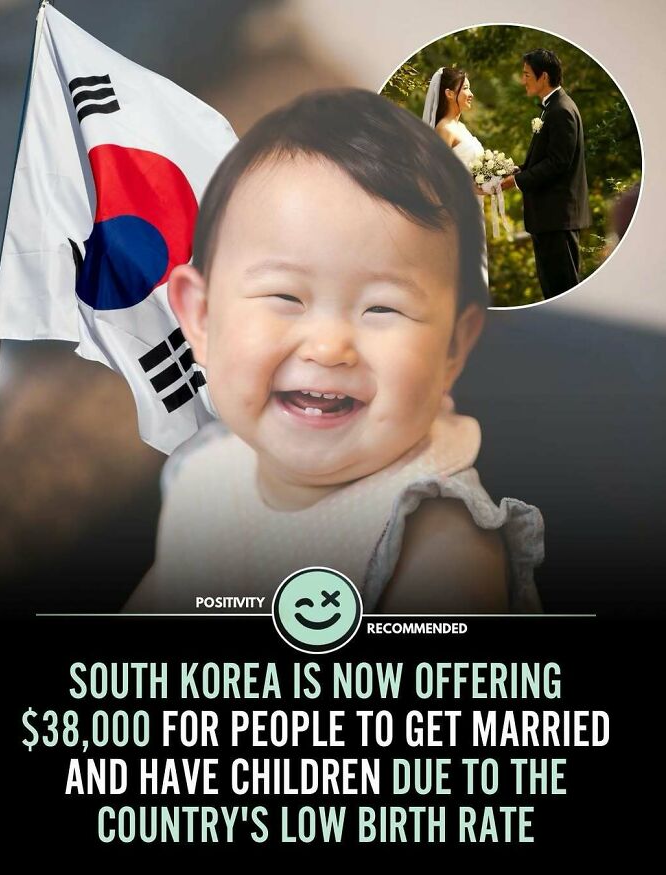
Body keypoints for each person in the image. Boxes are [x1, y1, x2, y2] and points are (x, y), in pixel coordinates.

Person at [125, 89, 543, 614]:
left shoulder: (439, 545)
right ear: (202, 319)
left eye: (383, 309)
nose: (329, 348)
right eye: (284, 297)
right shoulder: (205, 476)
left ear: (453, 347)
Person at [501, 48, 590, 299]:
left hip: (557, 218)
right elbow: (549, 158)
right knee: (553, 292)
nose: (523, 80)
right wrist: (520, 169)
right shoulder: (552, 108)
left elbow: (558, 163)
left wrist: (517, 181)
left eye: (527, 74)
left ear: (544, 77)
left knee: (563, 293)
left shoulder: (561, 111)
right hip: (550, 219)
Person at [423, 67, 489, 282]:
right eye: (466, 88)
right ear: (450, 93)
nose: (471, 94)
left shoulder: (461, 128)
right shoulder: (444, 130)